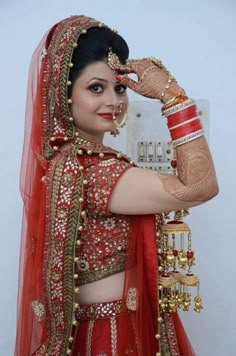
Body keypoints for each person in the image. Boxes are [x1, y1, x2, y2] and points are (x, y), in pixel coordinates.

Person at [15, 15, 219, 356]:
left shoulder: (69, 162)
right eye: (96, 87)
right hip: (111, 339)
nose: (114, 100)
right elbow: (200, 186)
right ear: (64, 94)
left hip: (101, 333)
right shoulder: (95, 172)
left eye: (119, 87)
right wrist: (174, 98)